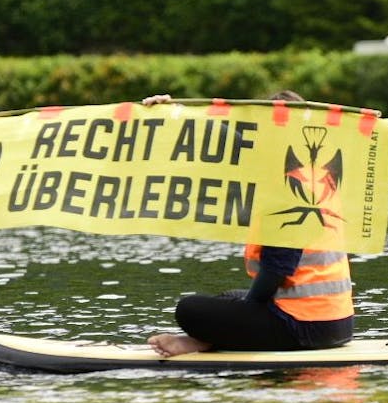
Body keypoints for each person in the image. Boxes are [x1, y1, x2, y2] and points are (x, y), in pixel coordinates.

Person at [144, 91, 356, 357]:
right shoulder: (317, 175)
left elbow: (275, 270)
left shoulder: (286, 190)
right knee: (227, 297)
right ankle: (205, 340)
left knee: (188, 310)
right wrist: (174, 111)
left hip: (305, 328)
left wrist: (242, 314)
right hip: (340, 324)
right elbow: (228, 137)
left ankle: (204, 341)